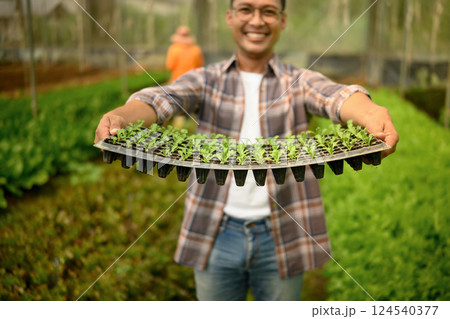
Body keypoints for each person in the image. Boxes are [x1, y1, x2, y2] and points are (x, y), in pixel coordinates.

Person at [95, 0, 399, 301]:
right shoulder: (207, 79)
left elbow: (336, 96)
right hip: (215, 231)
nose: (257, 20)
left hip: (284, 232)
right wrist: (122, 117)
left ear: (282, 20)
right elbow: (163, 97)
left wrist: (370, 114)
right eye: (246, 9)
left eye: (268, 11)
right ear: (230, 17)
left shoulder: (298, 81)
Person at [165, 26, 204, 128]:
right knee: (191, 106)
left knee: (174, 105)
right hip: (192, 82)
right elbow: (199, 65)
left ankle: (174, 131)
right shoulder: (196, 49)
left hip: (176, 81)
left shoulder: (174, 49)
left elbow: (169, 66)